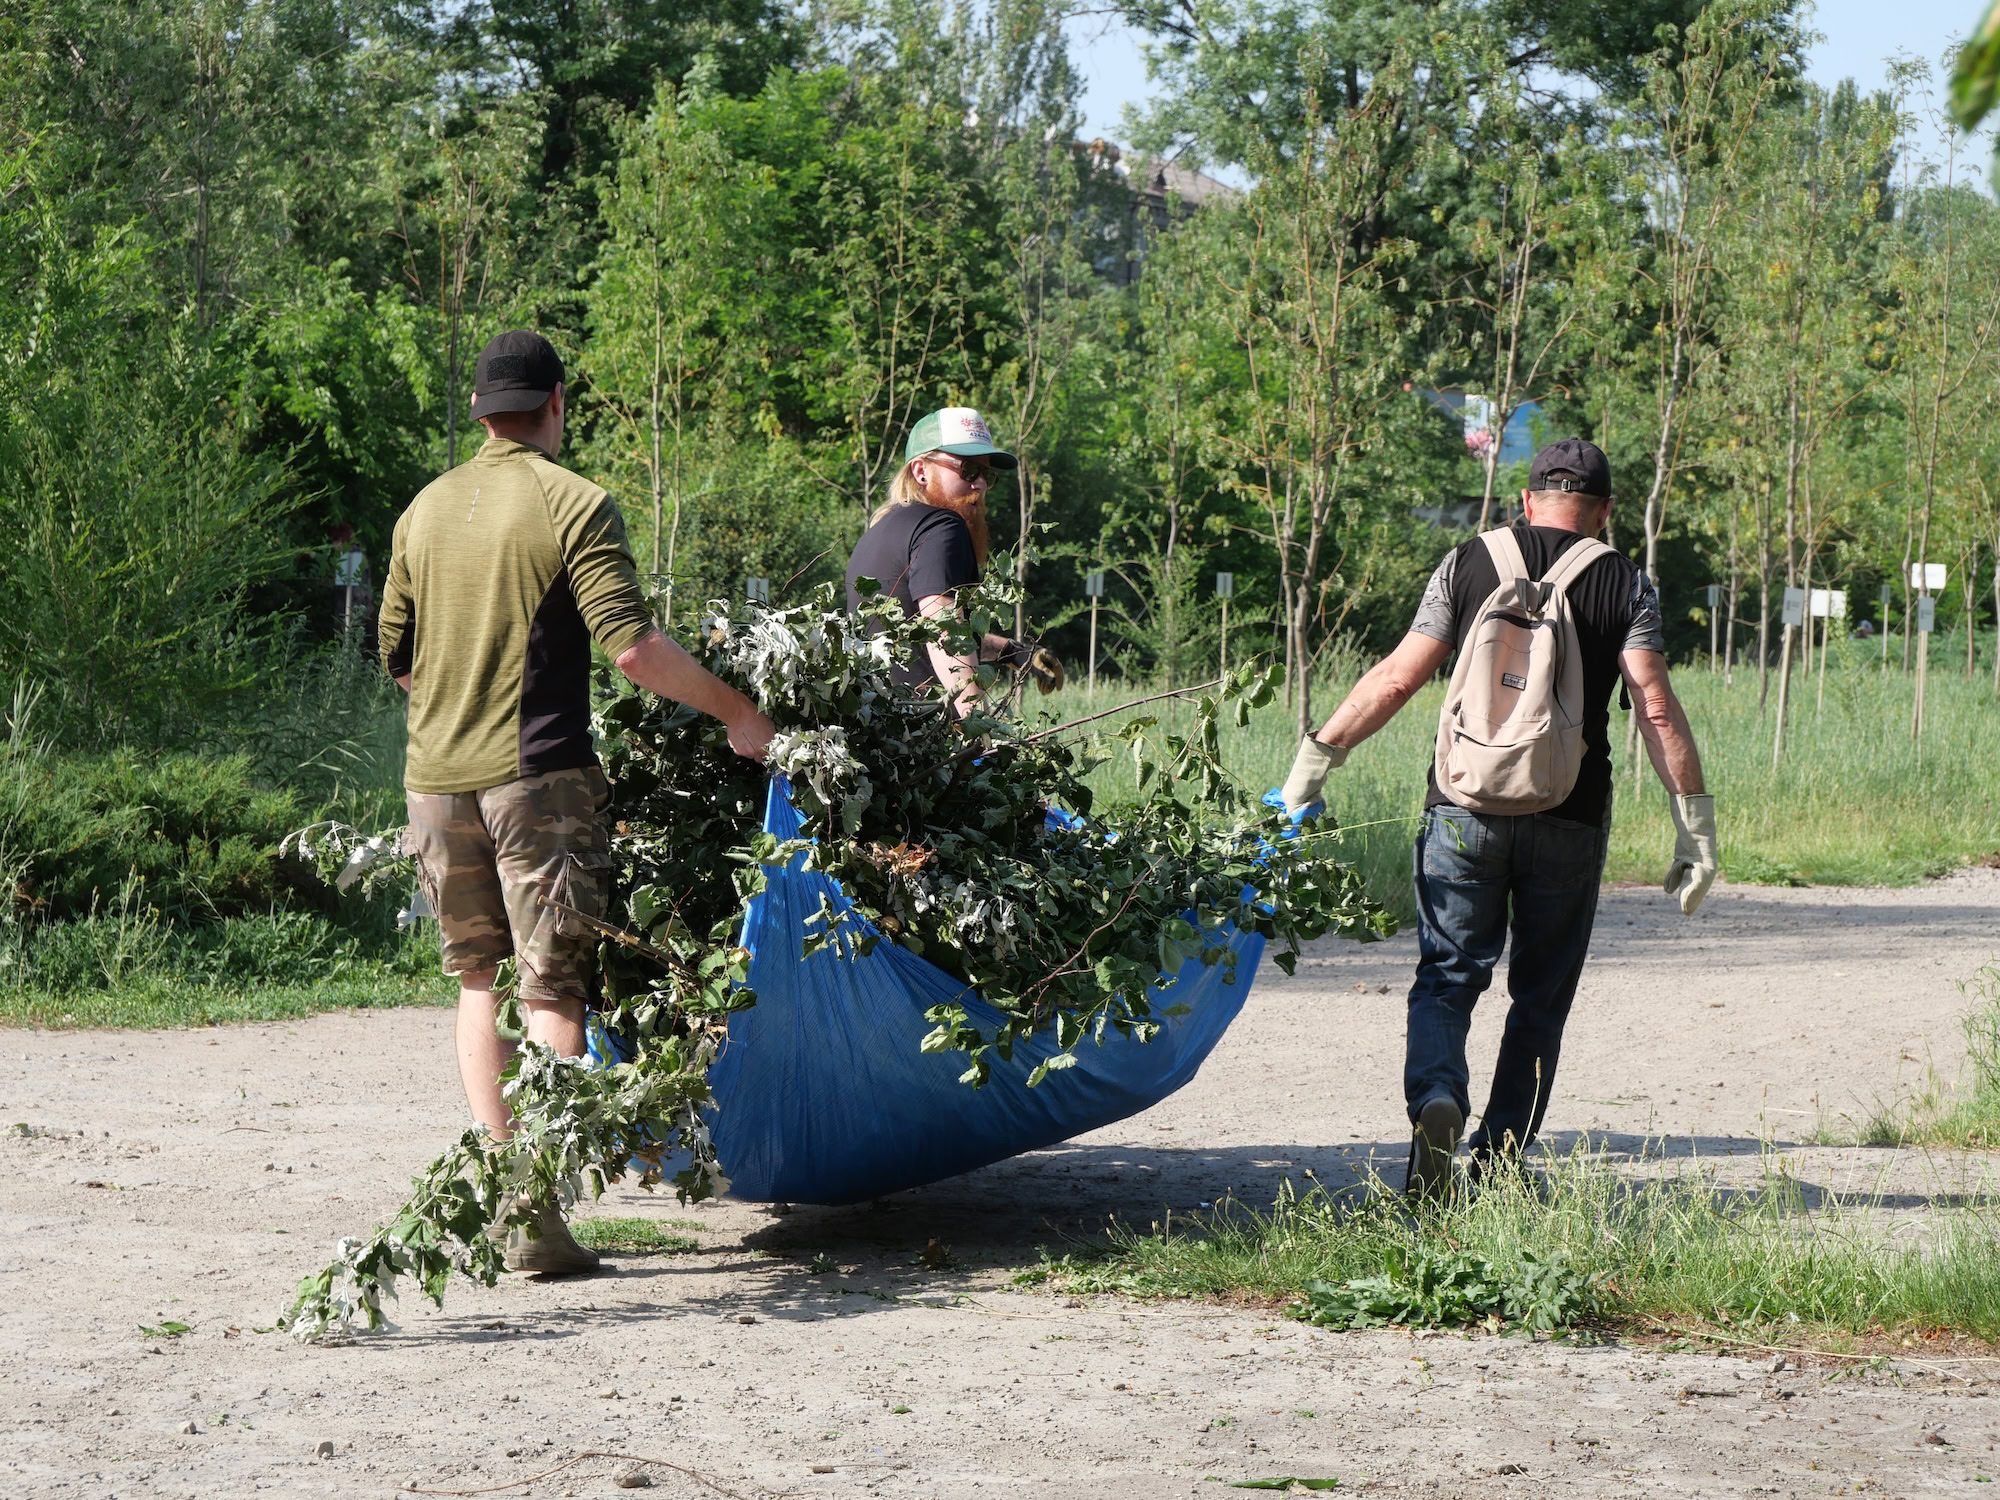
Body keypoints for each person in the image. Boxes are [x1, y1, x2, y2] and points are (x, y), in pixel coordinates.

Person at [378, 330, 776, 1274]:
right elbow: (632, 648)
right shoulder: (573, 501)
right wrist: (739, 713)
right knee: (551, 987)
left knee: (478, 981)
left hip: (433, 782)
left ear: (480, 412)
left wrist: (459, 709)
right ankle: (536, 1214)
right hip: (538, 781)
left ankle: (503, 1186)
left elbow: (397, 657)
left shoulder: (421, 511)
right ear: (555, 402)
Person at [1276, 438, 1717, 1200]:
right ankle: (1501, 1161)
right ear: (1605, 511)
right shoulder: (1625, 581)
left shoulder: (1467, 562)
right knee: (1540, 999)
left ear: (1527, 500)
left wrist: (1314, 764)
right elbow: (1652, 705)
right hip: (1569, 813)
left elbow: (1399, 678)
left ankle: (1437, 1099)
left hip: (1461, 808)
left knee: (1447, 979)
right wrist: (1695, 827)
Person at [845, 406, 1062, 714]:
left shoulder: (877, 532)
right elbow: (945, 633)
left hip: (875, 725)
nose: (980, 484)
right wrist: (976, 727)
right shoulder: (942, 526)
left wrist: (1013, 651)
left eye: (987, 474)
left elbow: (921, 634)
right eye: (968, 469)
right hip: (925, 730)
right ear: (921, 471)